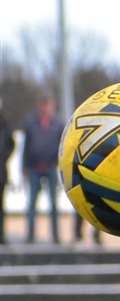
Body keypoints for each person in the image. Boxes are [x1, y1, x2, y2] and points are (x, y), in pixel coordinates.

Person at [21, 97, 61, 244]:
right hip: (33, 168)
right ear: (39, 107)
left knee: (54, 205)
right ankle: (30, 236)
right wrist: (24, 167)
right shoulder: (31, 124)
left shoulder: (58, 124)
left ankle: (56, 237)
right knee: (32, 204)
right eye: (43, 106)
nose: (45, 109)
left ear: (52, 107)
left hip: (51, 167)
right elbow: (25, 147)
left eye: (48, 106)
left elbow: (63, 146)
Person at [0, 97, 15, 244]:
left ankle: (1, 235)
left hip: (1, 173)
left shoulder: (4, 123)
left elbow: (11, 144)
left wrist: (3, 157)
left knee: (1, 207)